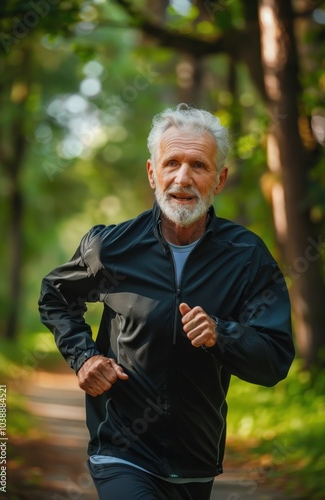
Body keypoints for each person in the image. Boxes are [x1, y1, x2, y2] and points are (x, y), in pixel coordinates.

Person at [38, 103, 295, 500]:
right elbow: (54, 295)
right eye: (171, 162)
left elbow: (274, 360)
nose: (182, 177)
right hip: (121, 451)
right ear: (152, 173)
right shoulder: (112, 247)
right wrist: (84, 357)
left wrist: (220, 335)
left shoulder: (246, 256)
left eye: (199, 165)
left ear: (220, 178)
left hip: (196, 461)